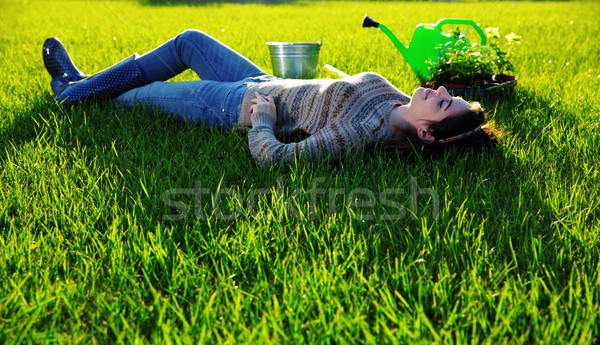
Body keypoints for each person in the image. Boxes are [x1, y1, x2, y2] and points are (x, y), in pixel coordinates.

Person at [42, 29, 497, 167]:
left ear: (424, 132)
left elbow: (276, 159)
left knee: (143, 96)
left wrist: (261, 123)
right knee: (189, 41)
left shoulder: (359, 133)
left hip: (232, 104)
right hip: (261, 78)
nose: (437, 92)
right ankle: (83, 84)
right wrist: (468, 118)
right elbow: (434, 109)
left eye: (441, 103)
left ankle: (74, 94)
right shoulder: (399, 101)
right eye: (444, 95)